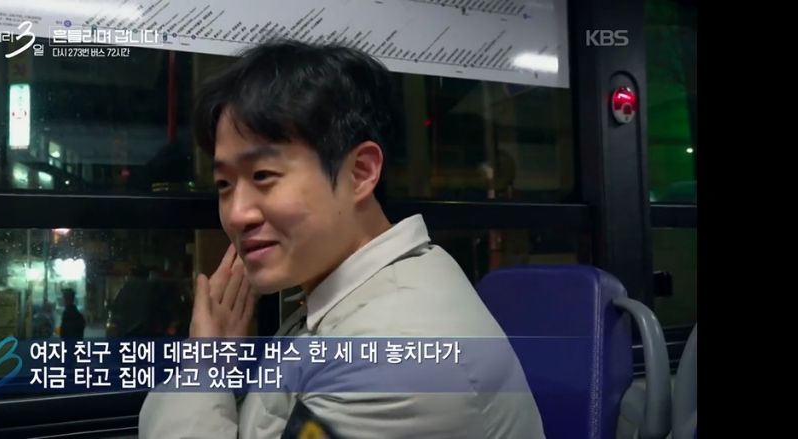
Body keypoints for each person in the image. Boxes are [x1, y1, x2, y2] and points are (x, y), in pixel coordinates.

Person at [139, 40, 544, 438]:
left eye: (263, 175)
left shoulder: (394, 359)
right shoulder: (347, 292)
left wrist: (204, 367)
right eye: (224, 184)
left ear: (360, 172)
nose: (236, 214)